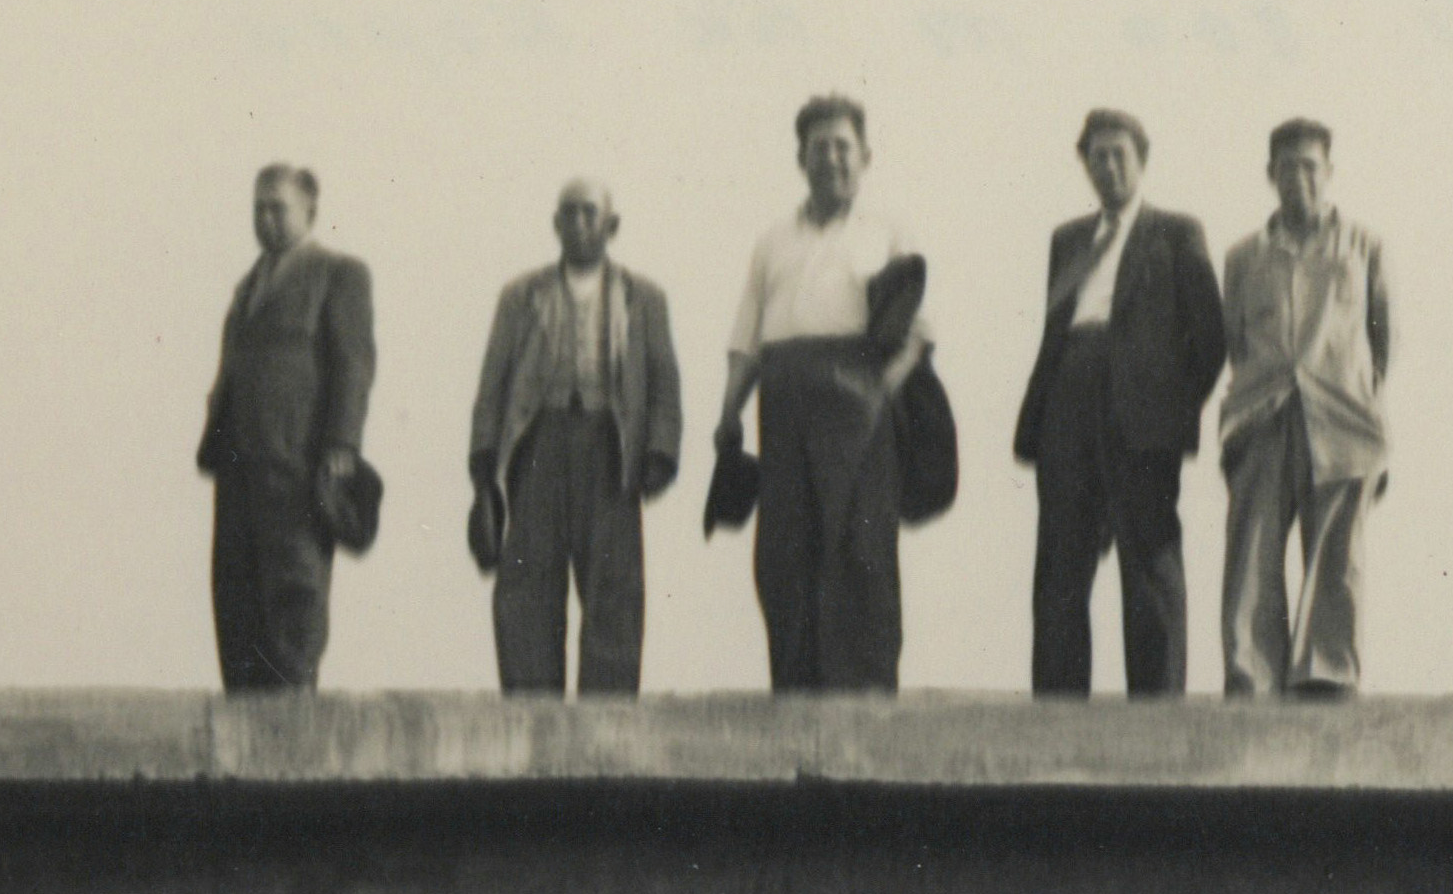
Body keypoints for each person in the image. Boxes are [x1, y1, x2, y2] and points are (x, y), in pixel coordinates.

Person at [707, 92, 955, 691]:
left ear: (866, 156)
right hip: (783, 401)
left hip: (859, 402)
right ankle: (797, 699)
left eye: (843, 146)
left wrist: (879, 393)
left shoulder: (889, 231)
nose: (832, 158)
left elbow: (918, 334)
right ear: (801, 159)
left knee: (861, 551)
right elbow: (747, 338)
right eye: (819, 148)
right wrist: (729, 413)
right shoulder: (772, 241)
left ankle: (864, 703)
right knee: (784, 553)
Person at [1004, 108, 1226, 696]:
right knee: (1061, 561)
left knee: (1149, 560)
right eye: (1096, 157)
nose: (1108, 166)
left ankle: (1155, 712)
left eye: (1118, 154)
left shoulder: (1177, 232)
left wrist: (1171, 410)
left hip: (1143, 412)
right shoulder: (1068, 240)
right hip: (1068, 400)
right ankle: (1058, 711)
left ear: (1141, 160)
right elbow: (1054, 331)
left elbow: (1210, 338)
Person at [465, 179, 682, 694]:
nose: (579, 224)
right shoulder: (521, 295)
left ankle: (607, 717)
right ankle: (531, 709)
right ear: (555, 224)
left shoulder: (644, 297)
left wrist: (659, 452)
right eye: (569, 214)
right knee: (527, 582)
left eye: (590, 213)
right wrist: (483, 462)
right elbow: (493, 381)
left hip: (610, 448)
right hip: (538, 445)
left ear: (612, 224)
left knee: (615, 585)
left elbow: (664, 382)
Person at [1212, 117, 1389, 697]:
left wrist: (1352, 391)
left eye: (1310, 166)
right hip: (1263, 412)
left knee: (1338, 554)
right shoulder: (1244, 256)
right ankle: (1251, 674)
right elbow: (1235, 339)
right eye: (1287, 167)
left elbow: (1380, 339)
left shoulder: (1363, 246)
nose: (1299, 178)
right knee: (1252, 550)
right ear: (1270, 174)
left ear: (1329, 171)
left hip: (1342, 417)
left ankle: (1327, 674)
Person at [194, 163, 380, 691]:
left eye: (277, 207)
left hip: (299, 466)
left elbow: (354, 364)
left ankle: (293, 723)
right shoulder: (248, 284)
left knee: (295, 596)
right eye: (258, 208)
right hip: (238, 465)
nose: (265, 218)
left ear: (310, 211)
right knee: (236, 600)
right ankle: (246, 724)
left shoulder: (339, 274)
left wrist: (342, 445)